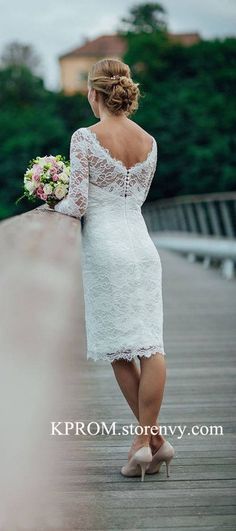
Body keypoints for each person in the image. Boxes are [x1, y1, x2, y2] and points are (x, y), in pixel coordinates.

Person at [53, 58, 175, 481]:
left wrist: (50, 202)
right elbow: (134, 200)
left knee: (118, 345)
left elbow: (80, 204)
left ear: (94, 93)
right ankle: (151, 441)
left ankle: (145, 443)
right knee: (150, 344)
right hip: (142, 246)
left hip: (105, 248)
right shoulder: (150, 141)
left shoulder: (85, 138)